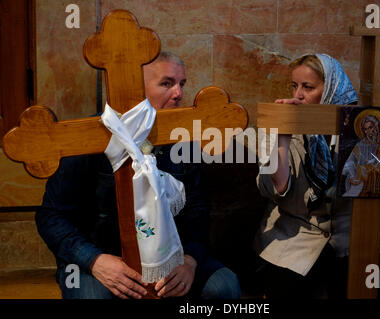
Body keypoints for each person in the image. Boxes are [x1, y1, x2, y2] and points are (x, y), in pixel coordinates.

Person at [35, 51, 241, 299]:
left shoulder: (181, 138)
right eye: (167, 83)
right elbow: (51, 216)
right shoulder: (88, 137)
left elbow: (198, 210)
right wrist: (94, 260)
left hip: (170, 256)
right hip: (101, 257)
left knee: (224, 286)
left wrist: (189, 260)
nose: (179, 94)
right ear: (134, 89)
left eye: (181, 84)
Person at [253, 53, 380, 298]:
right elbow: (276, 187)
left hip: (355, 237)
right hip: (296, 241)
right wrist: (283, 139)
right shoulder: (278, 124)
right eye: (294, 86)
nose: (298, 95)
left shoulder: (364, 128)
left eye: (307, 87)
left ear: (332, 89)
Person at [342, 111, 380, 197]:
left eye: (370, 127)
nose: (368, 131)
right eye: (365, 129)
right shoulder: (360, 145)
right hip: (362, 181)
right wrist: (352, 177)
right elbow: (350, 163)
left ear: (376, 127)